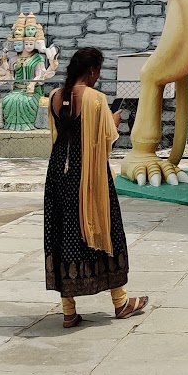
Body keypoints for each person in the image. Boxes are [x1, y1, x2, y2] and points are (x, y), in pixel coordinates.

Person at [44, 47, 147, 327]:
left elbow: (58, 136)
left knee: (63, 235)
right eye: (98, 70)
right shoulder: (97, 100)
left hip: (58, 175)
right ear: (92, 71)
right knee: (106, 228)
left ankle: (68, 310)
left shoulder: (54, 97)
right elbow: (105, 139)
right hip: (88, 175)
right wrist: (113, 122)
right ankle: (121, 302)